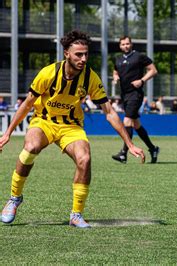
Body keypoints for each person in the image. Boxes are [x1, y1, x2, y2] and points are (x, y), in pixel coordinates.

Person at [0, 30, 145, 228]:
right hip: (44, 121)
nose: (83, 58)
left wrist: (129, 144)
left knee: (84, 159)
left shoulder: (90, 78)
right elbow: (27, 104)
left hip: (71, 126)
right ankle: (15, 198)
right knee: (31, 148)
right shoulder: (49, 72)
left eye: (86, 54)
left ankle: (76, 214)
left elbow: (109, 112)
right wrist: (7, 133)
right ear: (66, 53)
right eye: (79, 54)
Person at [111, 36, 160, 163]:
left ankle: (123, 153)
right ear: (120, 46)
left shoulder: (139, 56)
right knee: (136, 124)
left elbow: (153, 70)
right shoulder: (118, 59)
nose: (125, 46)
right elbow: (115, 71)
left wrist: (142, 80)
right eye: (123, 44)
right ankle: (153, 148)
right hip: (124, 95)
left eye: (127, 43)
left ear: (131, 44)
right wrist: (115, 78)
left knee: (127, 122)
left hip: (135, 94)